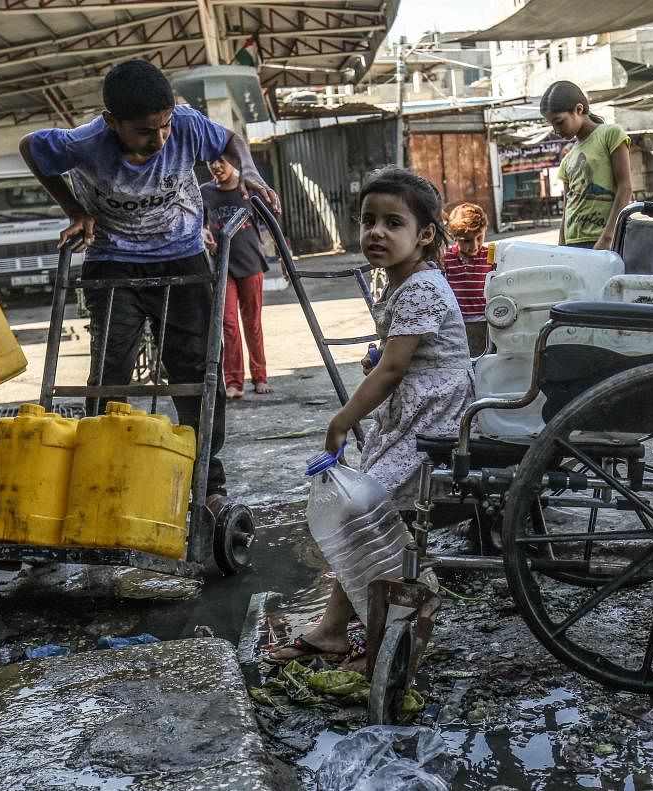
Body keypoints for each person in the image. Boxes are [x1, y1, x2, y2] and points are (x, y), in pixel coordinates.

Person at [20, 59, 280, 508]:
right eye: (144, 131)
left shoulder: (186, 126)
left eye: (163, 126)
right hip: (113, 262)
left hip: (182, 257)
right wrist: (74, 210)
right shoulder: (84, 142)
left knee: (197, 370)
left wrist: (250, 172)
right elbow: (31, 148)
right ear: (111, 122)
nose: (159, 138)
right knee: (109, 374)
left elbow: (232, 141)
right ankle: (102, 481)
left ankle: (207, 482)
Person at [265, 166, 474, 665]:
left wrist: (340, 421)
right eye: (368, 221)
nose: (376, 232)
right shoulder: (402, 281)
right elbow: (399, 356)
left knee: (370, 513)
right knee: (371, 515)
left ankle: (388, 638)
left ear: (424, 235)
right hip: (413, 411)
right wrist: (381, 359)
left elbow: (396, 367)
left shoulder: (421, 286)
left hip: (433, 416)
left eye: (392, 223)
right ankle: (336, 629)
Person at [201, 156, 272, 399]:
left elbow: (272, 221)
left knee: (252, 323)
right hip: (222, 265)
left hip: (251, 263)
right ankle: (234, 381)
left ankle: (260, 376)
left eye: (221, 161)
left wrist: (284, 258)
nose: (216, 166)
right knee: (228, 324)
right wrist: (202, 232)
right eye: (212, 162)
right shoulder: (205, 192)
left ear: (233, 161)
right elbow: (197, 222)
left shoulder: (247, 189)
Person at [540, 81, 631, 250]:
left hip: (605, 239)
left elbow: (625, 188)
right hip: (574, 243)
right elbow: (568, 205)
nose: (556, 130)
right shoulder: (568, 157)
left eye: (559, 122)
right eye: (551, 124)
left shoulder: (610, 134)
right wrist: (562, 245)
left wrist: (608, 237)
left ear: (579, 109)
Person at [441, 202, 492, 357]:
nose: (475, 245)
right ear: (455, 237)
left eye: (479, 237)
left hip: (487, 324)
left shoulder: (491, 256)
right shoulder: (446, 259)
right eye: (467, 240)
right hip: (458, 324)